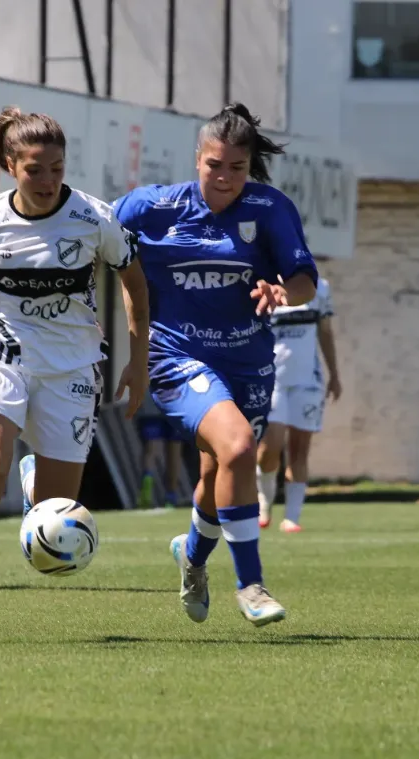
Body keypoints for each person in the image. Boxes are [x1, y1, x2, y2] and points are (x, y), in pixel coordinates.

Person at [0, 106, 150, 645]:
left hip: (72, 367)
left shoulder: (94, 218)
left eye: (57, 168)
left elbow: (134, 282)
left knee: (53, 516)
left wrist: (138, 358)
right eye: (34, 170)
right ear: (9, 165)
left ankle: (35, 488)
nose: (48, 181)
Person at [113, 103, 318, 628]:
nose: (224, 178)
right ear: (196, 159)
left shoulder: (270, 209)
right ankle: (250, 584)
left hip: (249, 362)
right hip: (178, 356)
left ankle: (192, 558)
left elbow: (304, 281)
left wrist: (281, 291)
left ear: (249, 169)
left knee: (218, 472)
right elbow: (91, 236)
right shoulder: (150, 208)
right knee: (240, 449)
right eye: (214, 165)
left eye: (236, 169)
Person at [256, 276, 341, 532]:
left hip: (307, 380)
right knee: (269, 447)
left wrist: (334, 374)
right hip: (272, 380)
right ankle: (264, 503)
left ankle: (292, 518)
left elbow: (325, 332)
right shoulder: (261, 283)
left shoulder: (319, 287)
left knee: (299, 450)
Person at [136, 389, 184, 508]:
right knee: (174, 451)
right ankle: (170, 496)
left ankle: (146, 485)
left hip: (150, 403)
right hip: (175, 403)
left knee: (150, 449)